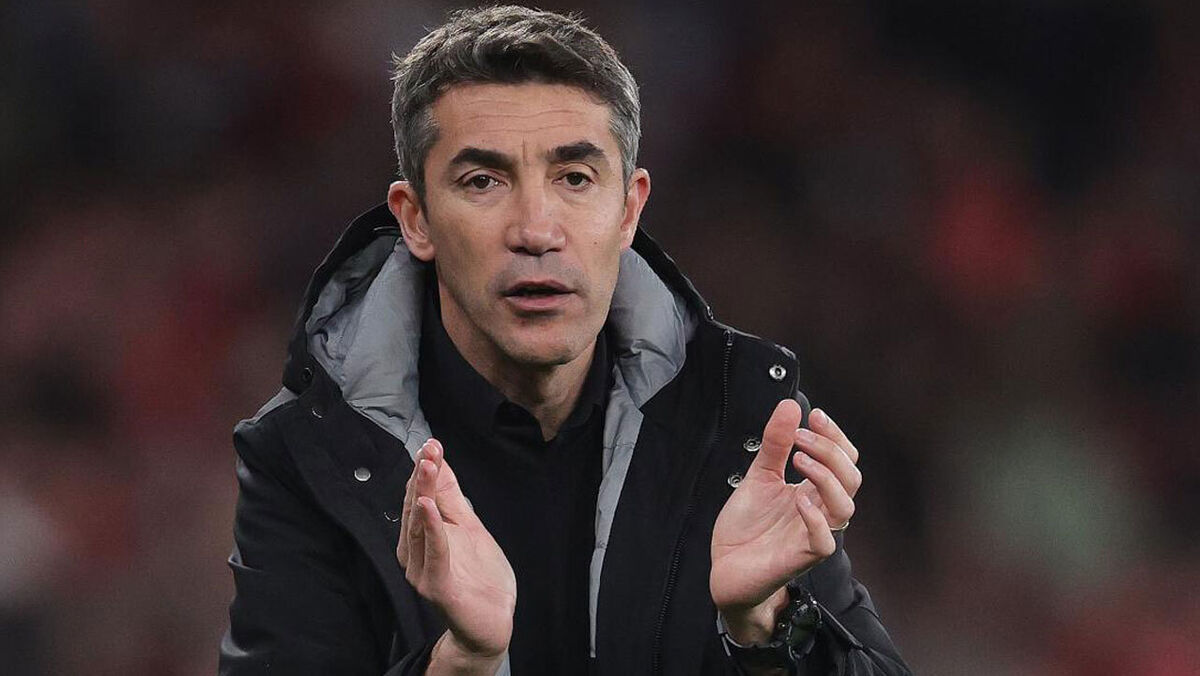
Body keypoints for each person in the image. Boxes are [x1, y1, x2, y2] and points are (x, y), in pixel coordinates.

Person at [220, 6, 910, 675]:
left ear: (629, 209)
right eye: (483, 181)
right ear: (416, 219)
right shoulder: (309, 455)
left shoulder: (744, 424)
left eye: (575, 178)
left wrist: (767, 625)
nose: (536, 229)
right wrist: (462, 665)